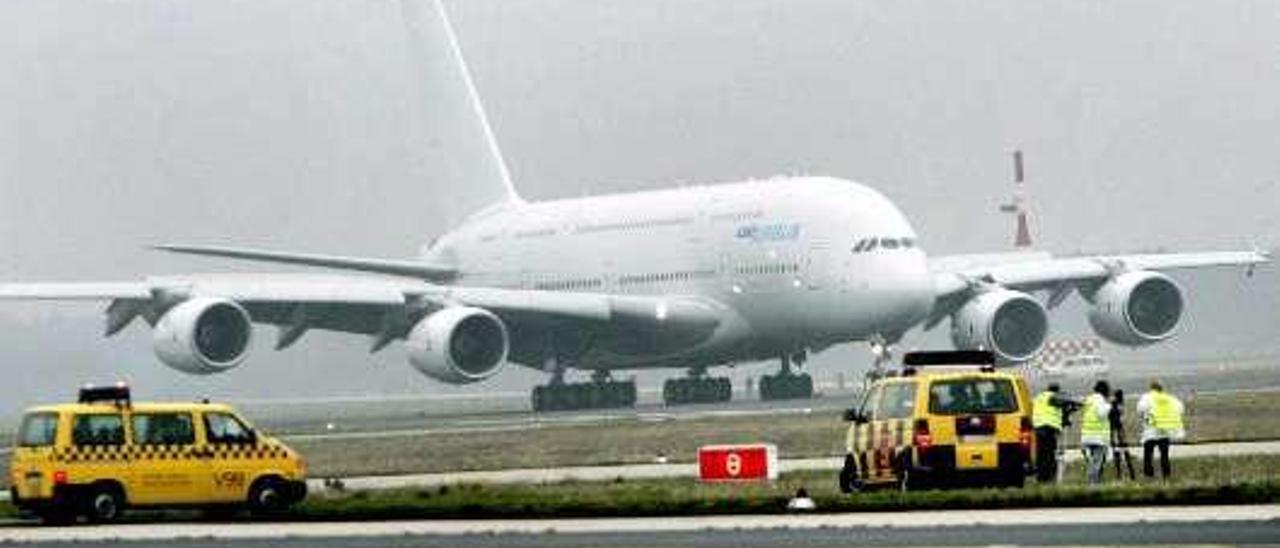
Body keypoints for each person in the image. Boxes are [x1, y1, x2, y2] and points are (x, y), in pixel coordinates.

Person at [1136, 379, 1185, 480]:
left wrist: (1146, 416)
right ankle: (1166, 476)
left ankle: (1149, 476)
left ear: (1151, 387)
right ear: (1161, 388)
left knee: (1148, 456)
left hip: (1150, 431)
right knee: (1164, 456)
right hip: (1164, 431)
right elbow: (1181, 409)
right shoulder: (1169, 398)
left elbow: (1140, 409)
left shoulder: (1147, 397)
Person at [1031, 383, 1072, 483]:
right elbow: (1066, 407)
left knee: (1040, 454)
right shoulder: (1054, 397)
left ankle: (1040, 477)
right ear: (1056, 391)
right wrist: (1067, 417)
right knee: (1050, 454)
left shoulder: (1039, 397)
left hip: (1038, 427)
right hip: (1049, 427)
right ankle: (1050, 477)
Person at [1080, 380, 1113, 485]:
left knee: (1092, 462)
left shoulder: (1089, 399)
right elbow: (1101, 414)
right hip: (1098, 436)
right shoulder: (1100, 400)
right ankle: (1093, 485)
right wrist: (1110, 406)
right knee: (1097, 462)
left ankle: (1092, 483)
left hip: (1086, 435)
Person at [1108, 389, 1136, 481]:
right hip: (1120, 430)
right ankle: (1131, 473)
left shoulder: (1113, 406)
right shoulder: (1121, 406)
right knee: (1125, 452)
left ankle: (1119, 474)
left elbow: (1112, 418)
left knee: (1117, 453)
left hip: (1114, 431)